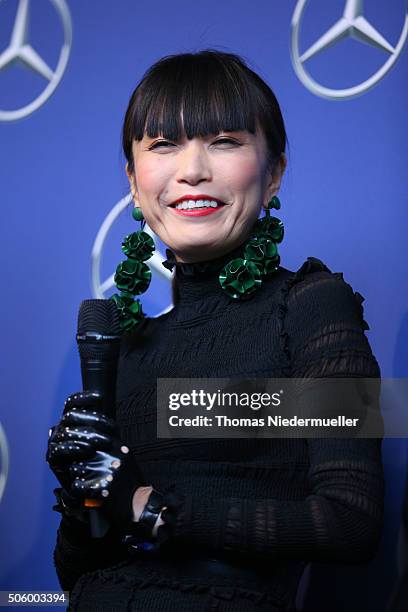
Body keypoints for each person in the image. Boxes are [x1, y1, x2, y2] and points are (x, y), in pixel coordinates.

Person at [46, 50, 384, 611]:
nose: (192, 170)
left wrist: (150, 506)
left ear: (274, 172)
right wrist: (87, 500)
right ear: (133, 181)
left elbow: (351, 523)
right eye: (163, 145)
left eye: (224, 141)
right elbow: (77, 574)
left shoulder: (314, 305)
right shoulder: (124, 342)